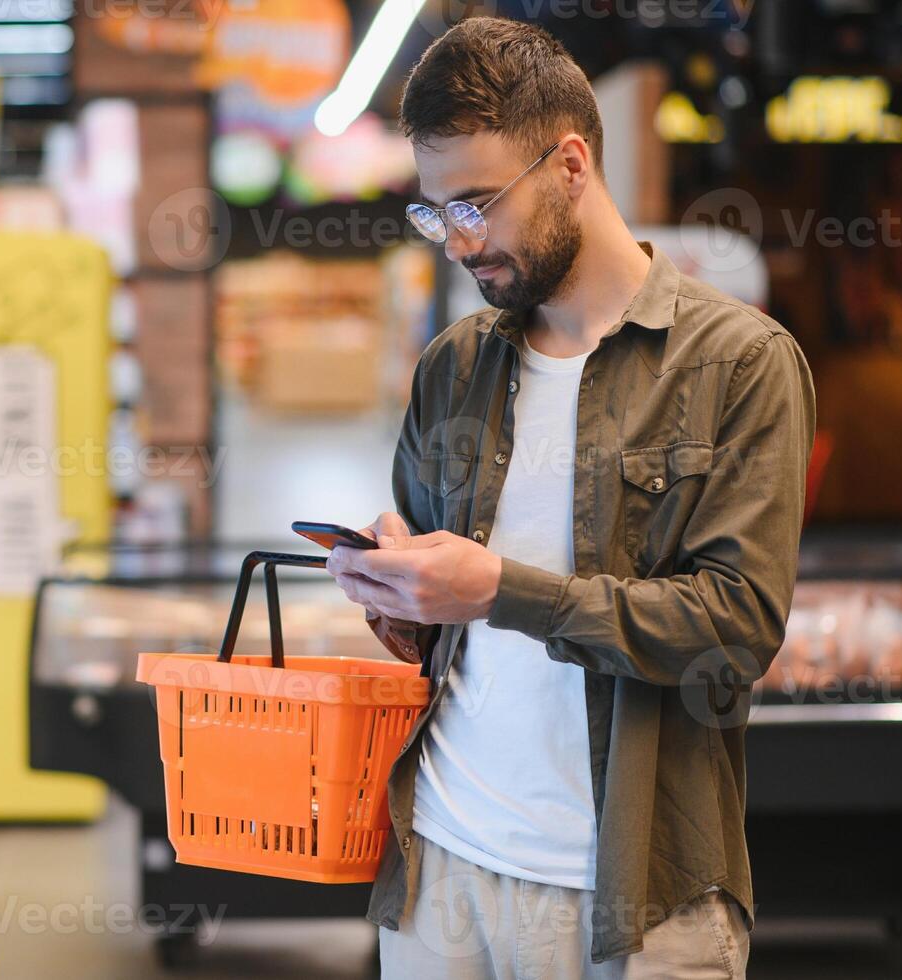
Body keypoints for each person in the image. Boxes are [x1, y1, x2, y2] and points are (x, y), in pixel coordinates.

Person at [325, 18, 815, 979]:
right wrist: (400, 594)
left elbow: (737, 627)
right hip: (438, 874)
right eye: (436, 212)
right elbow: (442, 627)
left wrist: (497, 588)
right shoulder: (454, 365)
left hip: (635, 894)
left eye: (476, 203)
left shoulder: (737, 364)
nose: (459, 241)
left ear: (570, 164)